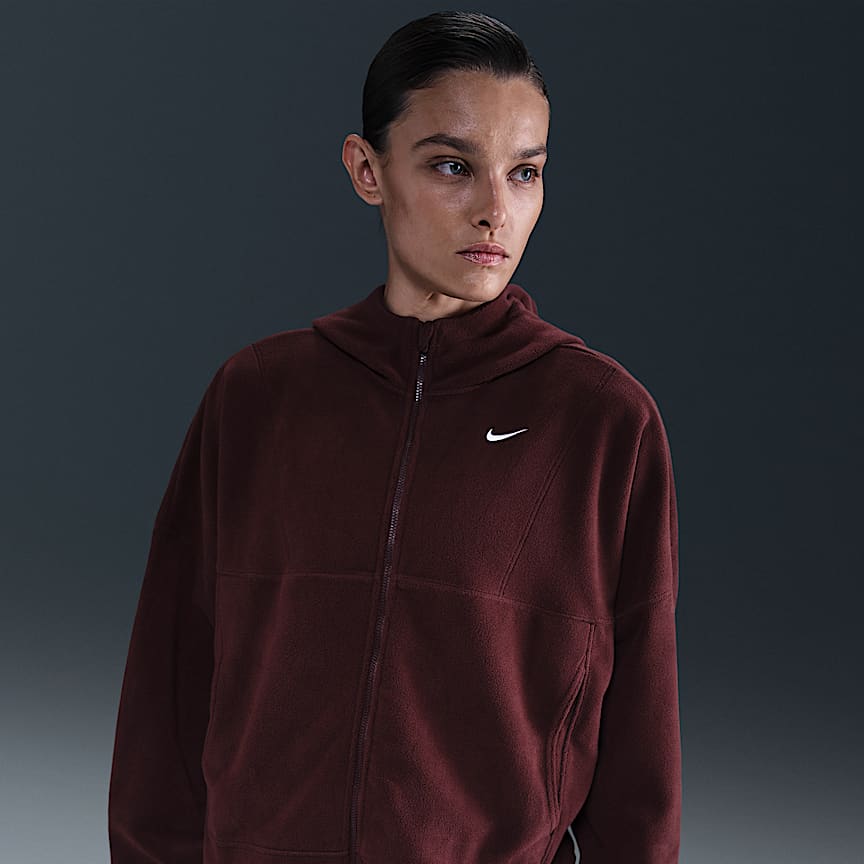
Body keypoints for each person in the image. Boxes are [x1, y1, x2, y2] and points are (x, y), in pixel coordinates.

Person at [108, 10, 682, 864]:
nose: (495, 209)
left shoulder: (602, 421)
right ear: (366, 170)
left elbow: (640, 756)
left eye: (524, 172)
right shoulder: (258, 397)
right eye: (453, 165)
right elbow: (169, 697)